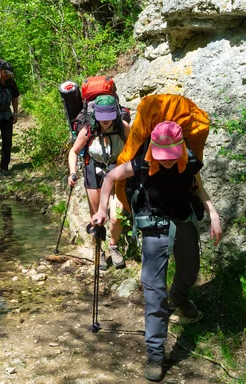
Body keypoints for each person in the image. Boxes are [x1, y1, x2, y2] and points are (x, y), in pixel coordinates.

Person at [91, 120, 223, 382]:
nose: (166, 162)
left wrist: (214, 213)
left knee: (190, 271)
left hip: (184, 220)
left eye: (171, 157)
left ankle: (180, 298)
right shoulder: (141, 162)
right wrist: (102, 210)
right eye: (162, 157)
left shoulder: (190, 160)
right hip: (154, 224)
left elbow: (199, 189)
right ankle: (155, 353)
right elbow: (110, 177)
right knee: (153, 289)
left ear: (180, 149)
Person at [68, 94, 131, 269]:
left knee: (116, 216)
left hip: (116, 169)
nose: (105, 121)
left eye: (109, 117)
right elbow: (74, 151)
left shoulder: (122, 127)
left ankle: (113, 245)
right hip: (93, 169)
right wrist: (72, 173)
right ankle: (99, 250)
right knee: (96, 215)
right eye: (102, 117)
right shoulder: (88, 129)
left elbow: (134, 147)